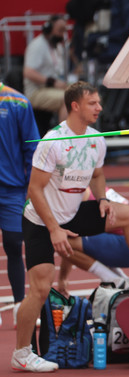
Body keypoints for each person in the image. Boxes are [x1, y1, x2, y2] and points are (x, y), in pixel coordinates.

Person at [11, 81, 129, 373]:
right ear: (75, 106)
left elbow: (97, 174)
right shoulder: (53, 142)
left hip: (73, 213)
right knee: (40, 288)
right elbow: (34, 190)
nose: (99, 108)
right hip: (41, 219)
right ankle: (22, 352)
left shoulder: (97, 139)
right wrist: (55, 230)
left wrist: (101, 199)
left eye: (99, 102)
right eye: (93, 103)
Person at [56, 187, 129, 294]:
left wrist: (62, 278)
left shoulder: (78, 192)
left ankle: (113, 280)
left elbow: (68, 240)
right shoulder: (98, 189)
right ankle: (119, 278)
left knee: (60, 240)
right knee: (81, 239)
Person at [0, 82, 40, 328]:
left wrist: (29, 189)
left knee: (15, 244)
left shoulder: (17, 102)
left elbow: (32, 147)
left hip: (12, 190)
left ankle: (19, 307)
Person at [23, 15, 69, 123]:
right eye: (60, 31)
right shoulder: (37, 45)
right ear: (49, 30)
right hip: (36, 91)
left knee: (81, 93)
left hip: (51, 89)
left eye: (64, 31)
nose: (62, 35)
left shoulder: (56, 46)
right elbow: (28, 72)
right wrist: (52, 82)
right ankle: (65, 136)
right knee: (68, 98)